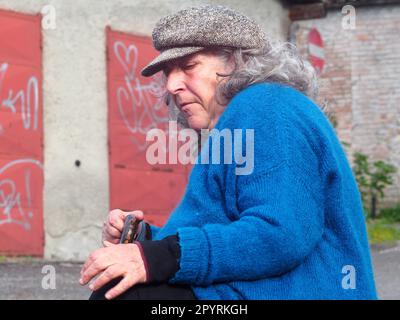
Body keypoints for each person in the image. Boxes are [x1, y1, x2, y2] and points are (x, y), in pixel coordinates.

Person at [80, 4, 378, 300]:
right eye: (168, 72)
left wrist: (159, 258)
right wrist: (144, 240)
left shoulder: (268, 106)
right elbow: (216, 230)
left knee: (124, 296)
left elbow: (281, 233)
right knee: (122, 286)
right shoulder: (235, 125)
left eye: (188, 67)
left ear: (237, 61)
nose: (171, 85)